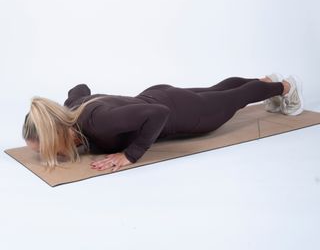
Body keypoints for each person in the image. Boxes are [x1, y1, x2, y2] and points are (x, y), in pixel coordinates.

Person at [22, 73, 304, 172]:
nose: (51, 156)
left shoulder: (100, 123)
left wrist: (129, 155)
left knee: (233, 99)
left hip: (183, 115)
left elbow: (158, 114)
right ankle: (264, 81)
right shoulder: (71, 109)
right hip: (158, 93)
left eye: (47, 150)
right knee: (218, 91)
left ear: (57, 131)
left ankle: (286, 87)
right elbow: (80, 87)